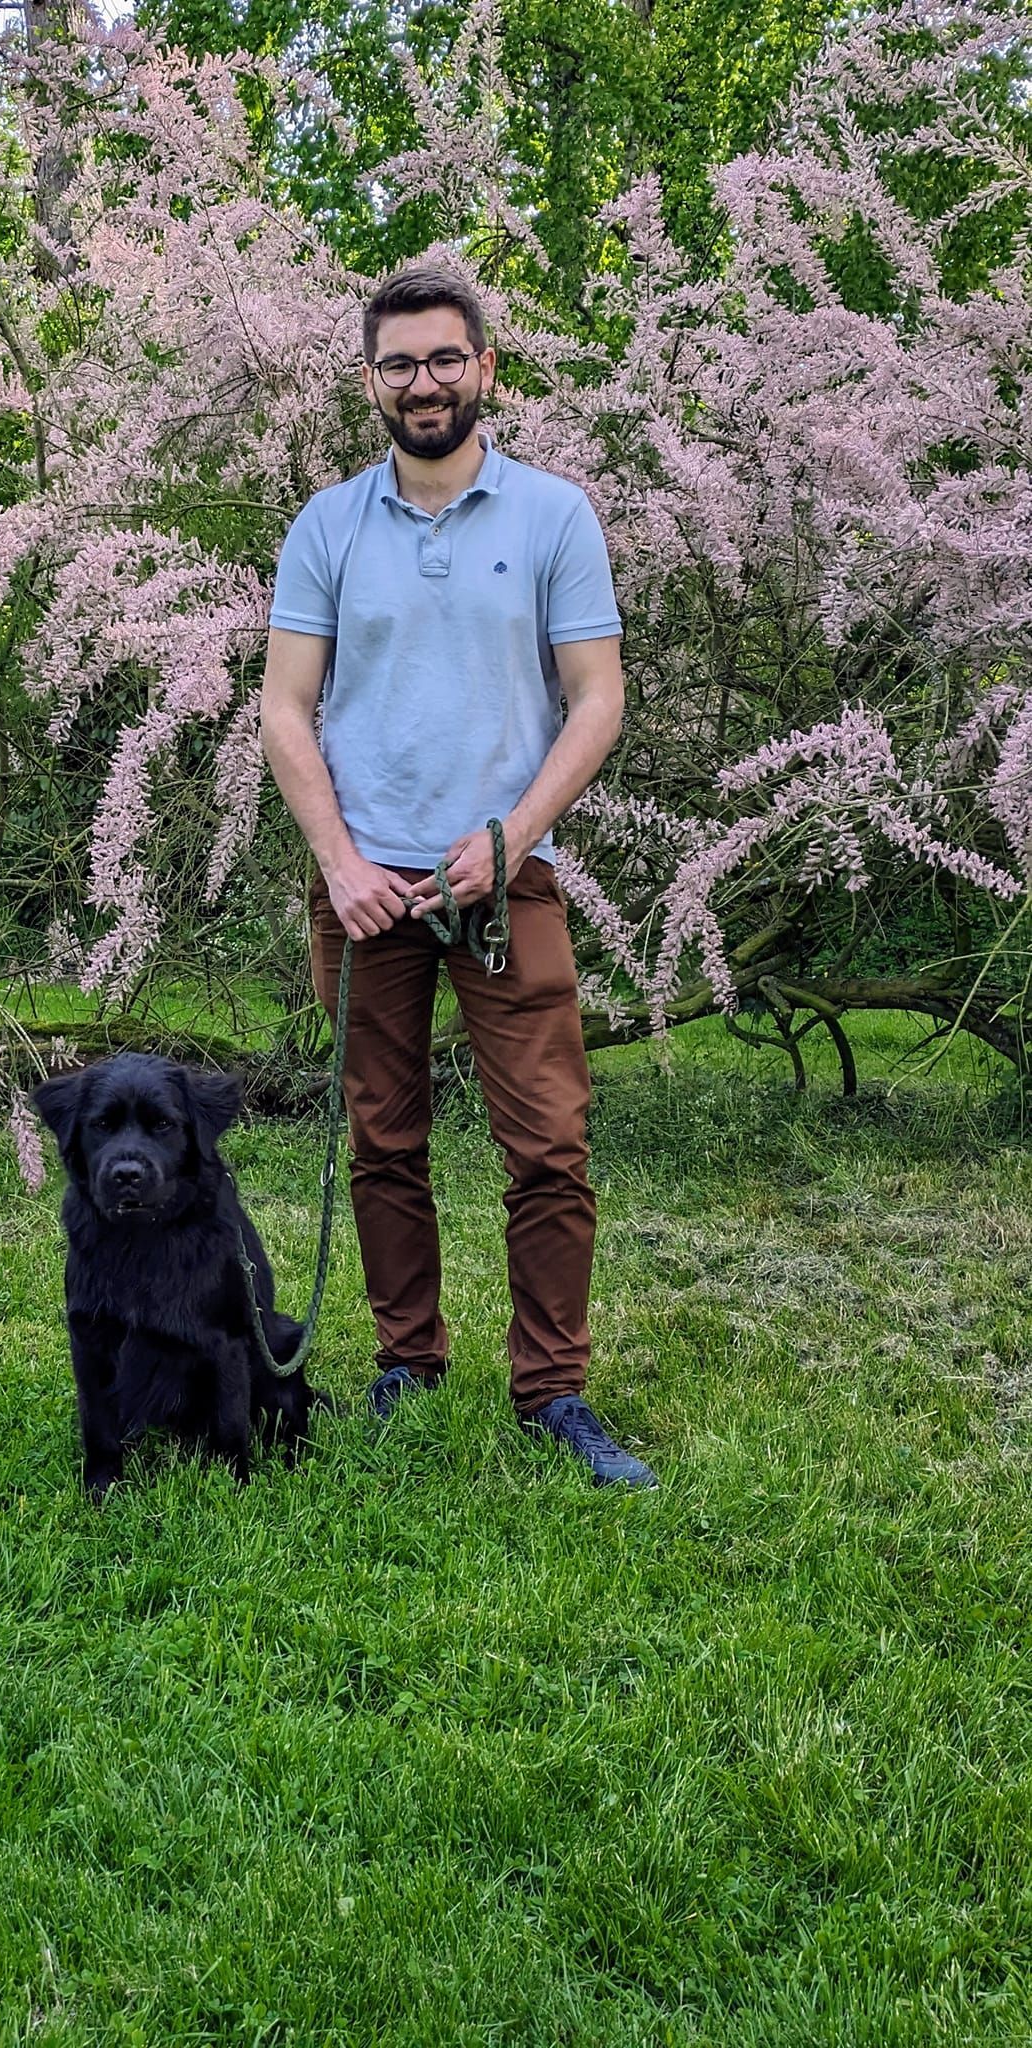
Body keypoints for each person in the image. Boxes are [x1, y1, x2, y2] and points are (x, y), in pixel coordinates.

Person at [259, 266, 656, 1489]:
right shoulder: (327, 525)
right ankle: (406, 1363)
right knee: (384, 1137)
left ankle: (554, 1391)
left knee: (549, 1142)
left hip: (506, 877)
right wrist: (338, 864)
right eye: (398, 364)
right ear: (368, 380)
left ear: (486, 367)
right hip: (367, 884)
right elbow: (284, 705)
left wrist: (509, 836)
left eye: (444, 360)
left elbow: (597, 701)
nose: (422, 383)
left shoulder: (554, 516)